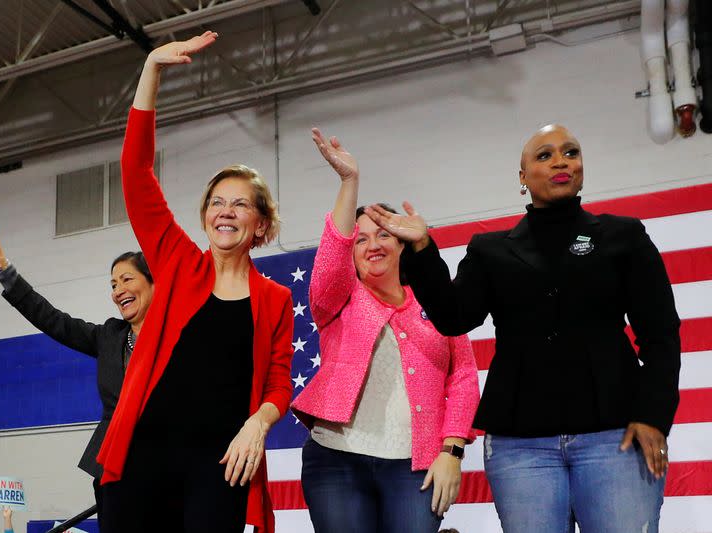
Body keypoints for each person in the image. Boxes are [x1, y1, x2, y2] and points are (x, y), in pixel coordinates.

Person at [365, 124, 681, 532]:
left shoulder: (624, 236)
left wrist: (653, 415)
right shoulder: (490, 249)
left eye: (570, 152)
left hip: (615, 436)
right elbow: (453, 317)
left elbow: (661, 335)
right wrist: (423, 250)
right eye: (544, 155)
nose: (561, 161)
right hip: (522, 447)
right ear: (522, 176)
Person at [95, 31, 294, 533]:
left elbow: (277, 382)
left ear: (261, 224)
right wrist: (151, 73)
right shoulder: (178, 261)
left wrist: (258, 423)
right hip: (143, 455)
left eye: (240, 203)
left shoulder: (275, 299)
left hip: (219, 465)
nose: (226, 210)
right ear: (205, 216)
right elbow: (136, 171)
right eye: (216, 202)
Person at [291, 128, 480, 533]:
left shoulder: (436, 300)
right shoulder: (336, 297)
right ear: (352, 254)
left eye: (383, 234)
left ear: (401, 243)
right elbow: (329, 260)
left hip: (415, 466)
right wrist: (348, 183)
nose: (372, 244)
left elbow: (463, 377)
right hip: (336, 460)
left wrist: (452, 450)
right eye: (360, 240)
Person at [0, 216, 154, 523]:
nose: (118, 290)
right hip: (115, 472)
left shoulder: (181, 336)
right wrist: (2, 267)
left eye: (127, 279)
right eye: (113, 284)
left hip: (168, 469)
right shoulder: (108, 336)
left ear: (154, 281)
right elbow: (51, 319)